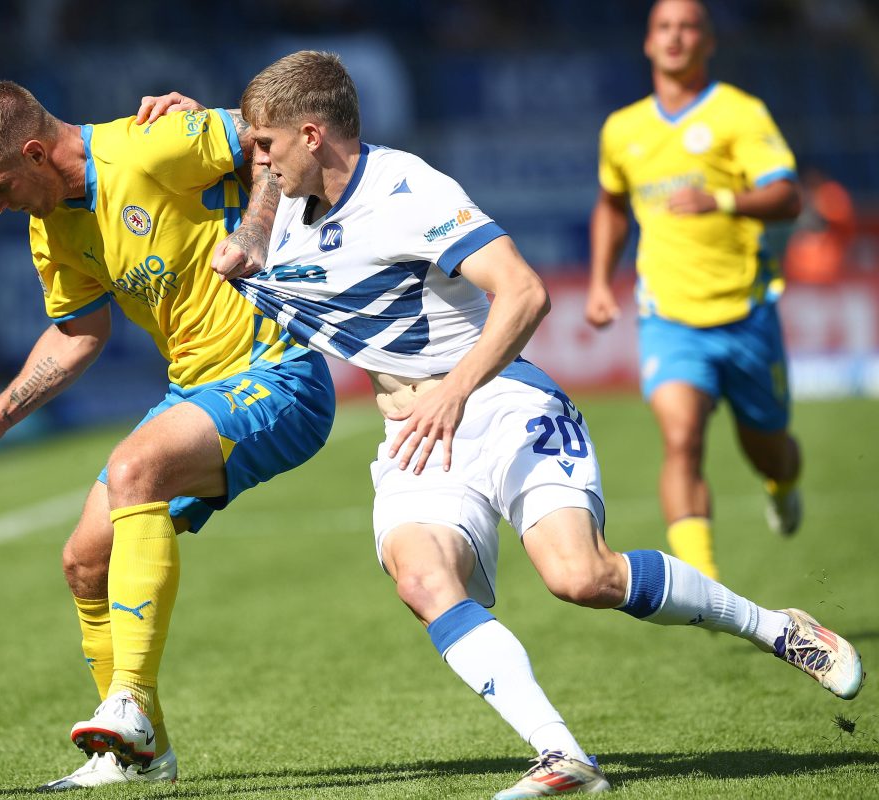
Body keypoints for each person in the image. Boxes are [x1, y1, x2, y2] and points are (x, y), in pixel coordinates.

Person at [198, 49, 863, 799]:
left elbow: (524, 292)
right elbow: (185, 148)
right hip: (416, 434)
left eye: (265, 146)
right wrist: (186, 131)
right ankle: (563, 758)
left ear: (313, 135)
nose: (254, 162)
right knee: (421, 576)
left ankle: (777, 628)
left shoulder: (407, 192)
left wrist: (452, 389)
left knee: (581, 577)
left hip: (500, 400)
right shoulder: (280, 189)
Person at [0, 80, 336, 790]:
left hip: (280, 374)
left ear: (34, 152)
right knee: (85, 560)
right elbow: (79, 332)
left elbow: (276, 137)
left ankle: (127, 707)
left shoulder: (149, 145)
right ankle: (136, 756)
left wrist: (255, 228)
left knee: (133, 469)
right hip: (196, 391)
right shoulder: (51, 224)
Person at [585, 0, 804, 580]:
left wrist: (723, 200)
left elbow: (788, 196)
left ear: (708, 42)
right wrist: (602, 281)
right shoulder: (623, 129)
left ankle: (782, 484)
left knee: (771, 449)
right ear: (648, 43)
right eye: (664, 27)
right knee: (681, 438)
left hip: (745, 312)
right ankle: (703, 584)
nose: (675, 37)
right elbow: (610, 206)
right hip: (669, 317)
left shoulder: (739, 113)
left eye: (688, 27)